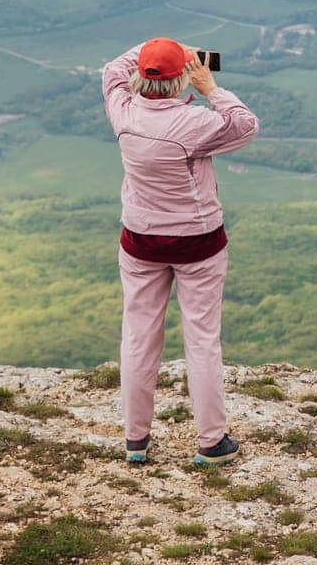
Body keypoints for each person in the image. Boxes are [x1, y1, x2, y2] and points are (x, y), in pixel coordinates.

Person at [102, 37, 259, 466]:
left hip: (141, 239)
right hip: (198, 242)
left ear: (141, 77)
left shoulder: (123, 111)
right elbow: (245, 124)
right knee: (202, 340)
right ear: (182, 77)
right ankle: (211, 442)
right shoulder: (194, 122)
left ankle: (136, 441)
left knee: (137, 336)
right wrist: (210, 88)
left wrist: (155, 47)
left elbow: (112, 70)